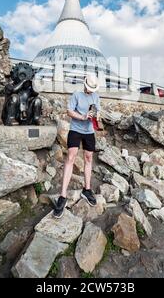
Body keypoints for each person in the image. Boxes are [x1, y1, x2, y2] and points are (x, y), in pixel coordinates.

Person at [53, 74, 101, 219]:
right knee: (71, 158)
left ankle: (87, 190)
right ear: (85, 84)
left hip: (89, 132)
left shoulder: (96, 97)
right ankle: (62, 196)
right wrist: (82, 117)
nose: (91, 90)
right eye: (90, 87)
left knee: (88, 158)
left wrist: (97, 116)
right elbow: (69, 111)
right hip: (75, 130)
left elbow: (98, 111)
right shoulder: (76, 95)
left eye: (93, 88)